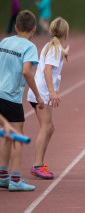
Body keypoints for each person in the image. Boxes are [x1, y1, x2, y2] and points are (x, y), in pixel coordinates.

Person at [0, 10, 44, 191]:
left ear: (16, 27)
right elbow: (27, 71)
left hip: (0, 93)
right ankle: (16, 179)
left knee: (7, 135)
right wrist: (38, 95)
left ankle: (3, 176)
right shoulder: (29, 46)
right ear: (34, 29)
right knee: (16, 136)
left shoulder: (4, 41)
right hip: (11, 96)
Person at [27, 17, 69, 180]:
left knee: (49, 128)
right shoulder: (54, 49)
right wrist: (52, 92)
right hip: (42, 94)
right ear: (67, 32)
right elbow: (47, 70)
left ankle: (39, 164)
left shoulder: (53, 46)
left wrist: (64, 52)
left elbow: (51, 61)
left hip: (39, 93)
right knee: (46, 128)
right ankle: (37, 166)